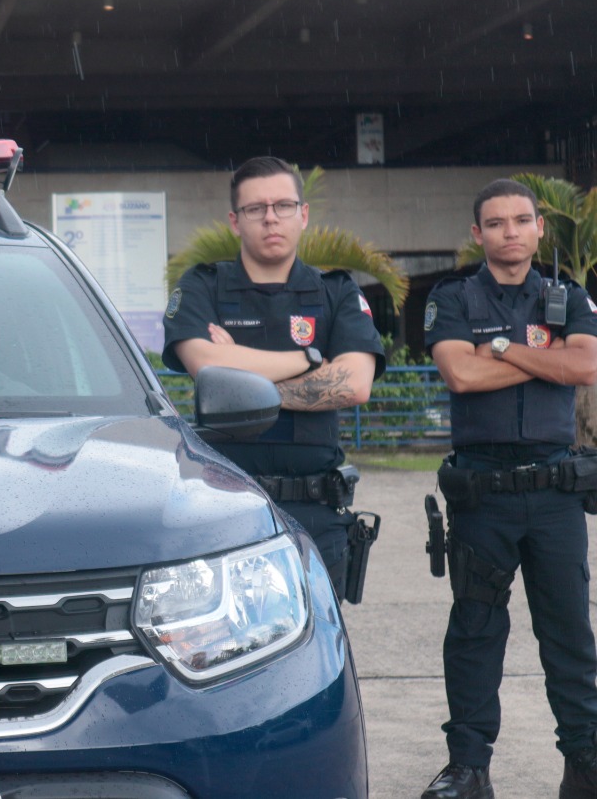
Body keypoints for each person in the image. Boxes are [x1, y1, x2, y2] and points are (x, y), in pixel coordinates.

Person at [419, 178, 597, 799]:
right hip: (482, 498)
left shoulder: (568, 297)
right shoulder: (453, 296)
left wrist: (499, 346)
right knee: (474, 632)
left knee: (569, 633)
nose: (510, 232)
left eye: (521, 220)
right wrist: (534, 355)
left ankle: (585, 760)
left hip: (555, 497)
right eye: (496, 223)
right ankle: (468, 767)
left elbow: (586, 366)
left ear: (539, 228)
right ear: (478, 233)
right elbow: (459, 375)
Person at [162, 155, 384, 600]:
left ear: (303, 215)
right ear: (234, 221)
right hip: (227, 506)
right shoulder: (202, 286)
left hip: (316, 512)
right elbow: (207, 366)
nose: (270, 218)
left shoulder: (337, 291)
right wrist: (309, 358)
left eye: (283, 205)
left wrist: (237, 370)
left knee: (321, 650)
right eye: (255, 209)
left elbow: (355, 383)